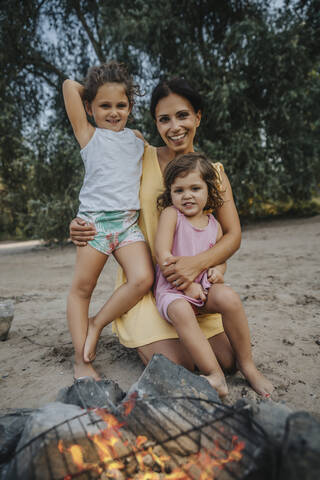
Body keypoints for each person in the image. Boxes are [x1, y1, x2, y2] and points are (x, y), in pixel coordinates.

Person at [69, 78, 272, 396]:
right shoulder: (137, 155)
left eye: (183, 115)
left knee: (228, 359)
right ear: (155, 123)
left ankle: (220, 356)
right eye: (164, 119)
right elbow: (101, 188)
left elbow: (232, 235)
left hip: (195, 285)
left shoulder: (213, 174)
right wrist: (79, 222)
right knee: (179, 365)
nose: (175, 126)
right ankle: (135, 328)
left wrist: (198, 265)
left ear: (198, 117)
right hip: (149, 288)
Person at [154, 152, 273, 398]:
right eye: (179, 190)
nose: (187, 195)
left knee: (229, 297)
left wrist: (218, 271)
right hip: (173, 290)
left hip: (203, 288)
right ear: (170, 193)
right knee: (181, 310)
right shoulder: (171, 216)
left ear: (209, 191)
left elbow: (221, 259)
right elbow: (163, 256)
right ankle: (215, 375)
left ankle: (248, 366)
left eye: (195, 188)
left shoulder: (213, 224)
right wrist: (187, 287)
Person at [63, 61, 154, 381]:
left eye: (121, 105)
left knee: (143, 278)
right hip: (94, 226)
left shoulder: (137, 138)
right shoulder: (88, 135)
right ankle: (81, 361)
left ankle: (97, 323)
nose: (113, 112)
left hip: (127, 225)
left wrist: (109, 90)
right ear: (89, 107)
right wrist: (91, 89)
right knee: (82, 289)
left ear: (130, 106)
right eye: (104, 105)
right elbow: (67, 86)